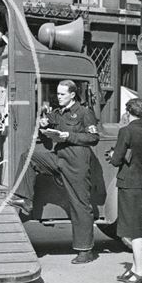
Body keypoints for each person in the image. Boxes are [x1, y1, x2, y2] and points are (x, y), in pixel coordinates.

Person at [8, 80, 99, 264]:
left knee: (80, 205)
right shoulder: (59, 113)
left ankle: (85, 250)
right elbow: (51, 121)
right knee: (29, 157)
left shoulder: (84, 112)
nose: (58, 97)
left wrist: (68, 136)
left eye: (62, 94)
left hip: (77, 164)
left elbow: (93, 137)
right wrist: (44, 121)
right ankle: (25, 199)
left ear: (72, 95)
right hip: (59, 158)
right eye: (57, 94)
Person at [108, 98, 142, 283]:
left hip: (129, 184)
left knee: (134, 231)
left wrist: (113, 155)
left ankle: (140, 271)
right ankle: (135, 268)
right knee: (136, 227)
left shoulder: (125, 131)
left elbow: (116, 160)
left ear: (128, 113)